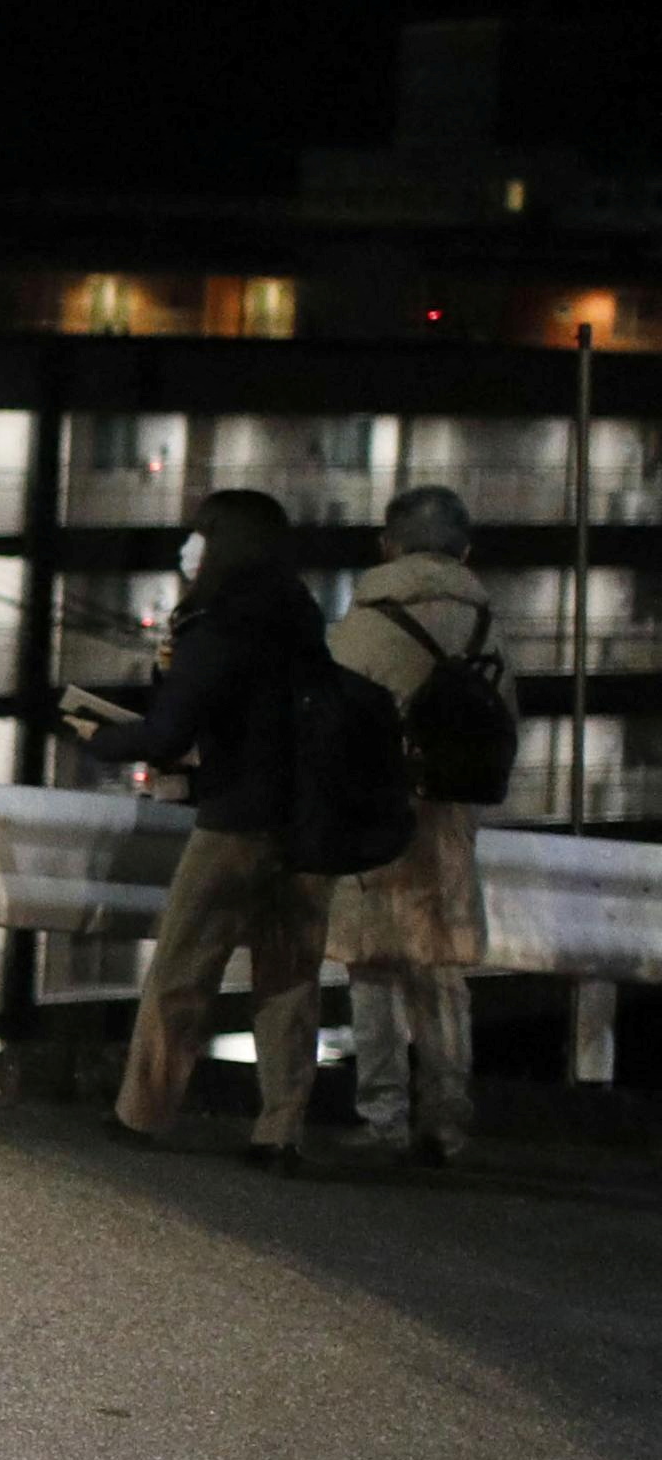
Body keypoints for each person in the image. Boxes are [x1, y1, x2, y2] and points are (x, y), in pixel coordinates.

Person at [69, 489, 332, 1172]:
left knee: (184, 971)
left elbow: (168, 732)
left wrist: (98, 738)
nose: (189, 545)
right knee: (289, 980)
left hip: (236, 822)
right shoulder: (301, 615)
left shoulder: (216, 624)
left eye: (200, 533)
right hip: (308, 826)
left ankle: (142, 1114)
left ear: (222, 544)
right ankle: (280, 1131)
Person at [321, 485, 500, 1167]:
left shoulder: (369, 618)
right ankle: (448, 1123)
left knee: (372, 966)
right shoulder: (487, 621)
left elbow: (332, 715)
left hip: (377, 807)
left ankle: (384, 1116)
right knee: (442, 972)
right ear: (464, 550)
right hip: (453, 813)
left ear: (388, 545)